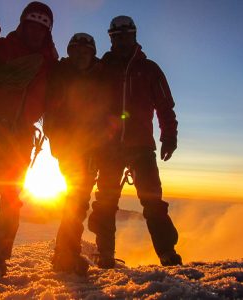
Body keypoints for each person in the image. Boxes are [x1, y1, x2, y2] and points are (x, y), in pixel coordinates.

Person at [88, 15, 182, 268]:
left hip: (140, 146)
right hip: (108, 147)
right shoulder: (101, 68)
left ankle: (166, 253)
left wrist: (169, 136)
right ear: (111, 38)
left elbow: (165, 106)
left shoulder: (149, 69)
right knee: (106, 202)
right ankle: (105, 254)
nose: (120, 41)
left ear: (134, 36)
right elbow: (87, 106)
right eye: (116, 37)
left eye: (125, 36)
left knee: (152, 202)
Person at [0, 1, 58, 279]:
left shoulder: (50, 61)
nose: (36, 32)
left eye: (42, 28)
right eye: (32, 26)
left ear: (47, 32)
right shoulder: (1, 48)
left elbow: (65, 87)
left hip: (21, 136)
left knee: (10, 198)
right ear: (22, 24)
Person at [44, 33, 111, 275]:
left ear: (92, 53)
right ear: (70, 52)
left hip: (91, 148)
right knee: (77, 198)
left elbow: (107, 112)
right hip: (70, 149)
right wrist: (59, 142)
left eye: (86, 51)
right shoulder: (60, 74)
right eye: (76, 50)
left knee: (78, 199)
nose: (81, 55)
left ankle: (65, 252)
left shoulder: (101, 74)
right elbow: (50, 112)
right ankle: (65, 254)